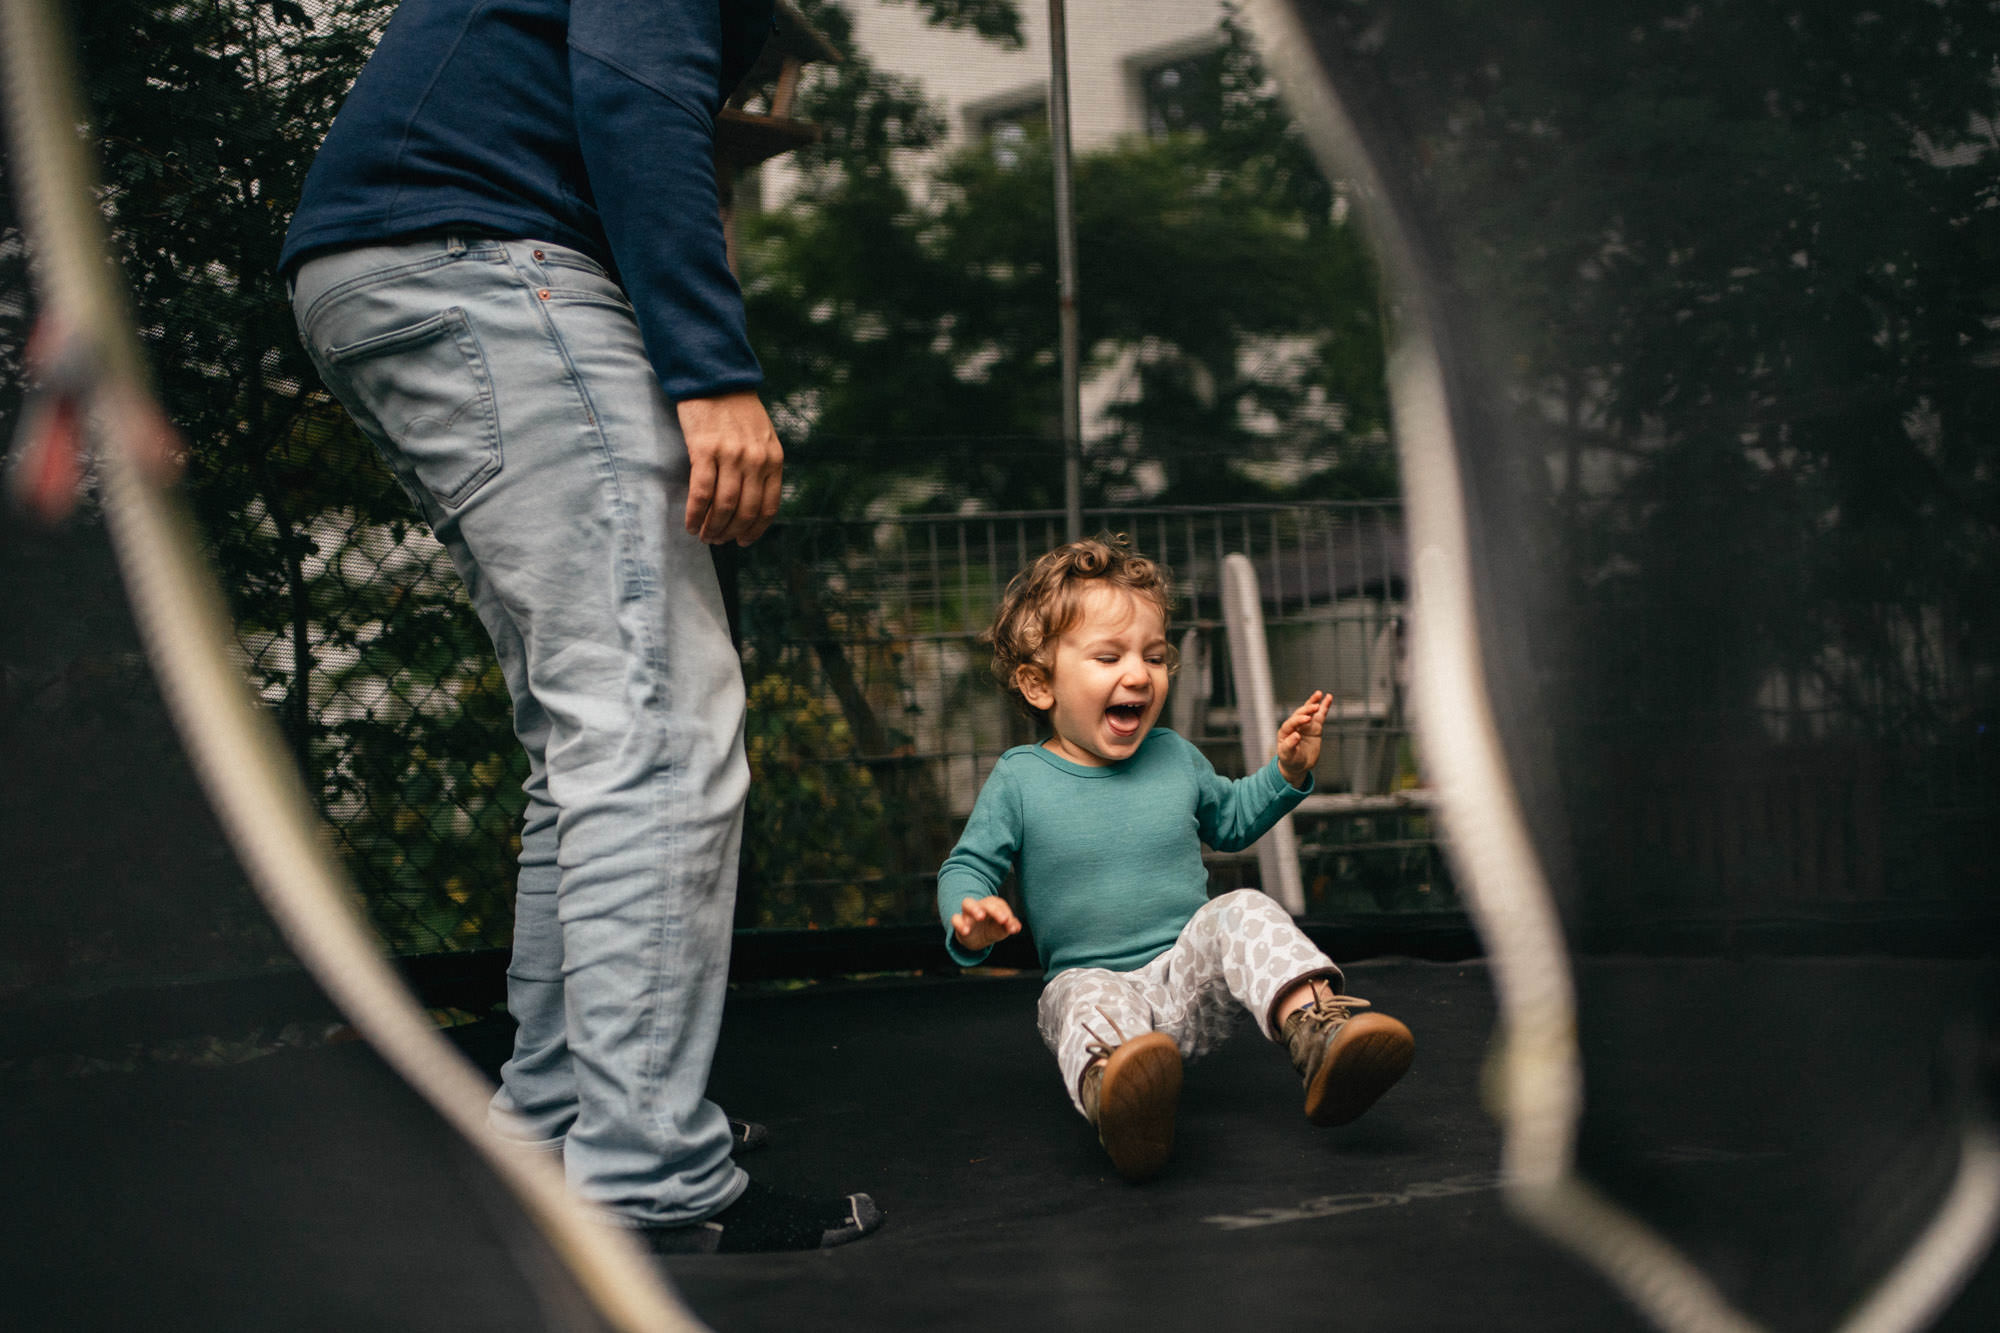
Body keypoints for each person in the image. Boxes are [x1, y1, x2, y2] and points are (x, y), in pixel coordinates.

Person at [279, 0, 882, 1253]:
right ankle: (645, 1173)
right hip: (480, 262)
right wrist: (711, 373)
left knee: (589, 734)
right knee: (654, 730)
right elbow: (633, 92)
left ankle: (560, 1123)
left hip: (394, 274)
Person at [938, 535, 1416, 1182]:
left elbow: (1233, 818)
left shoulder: (1173, 755)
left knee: (1243, 906)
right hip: (1097, 982)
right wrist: (969, 914)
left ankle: (1320, 1035)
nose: (1139, 674)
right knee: (1076, 998)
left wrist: (1286, 771)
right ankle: (1122, 1098)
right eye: (1109, 656)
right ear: (1039, 683)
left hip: (1189, 980)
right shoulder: (1020, 780)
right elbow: (966, 868)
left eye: (1155, 656)